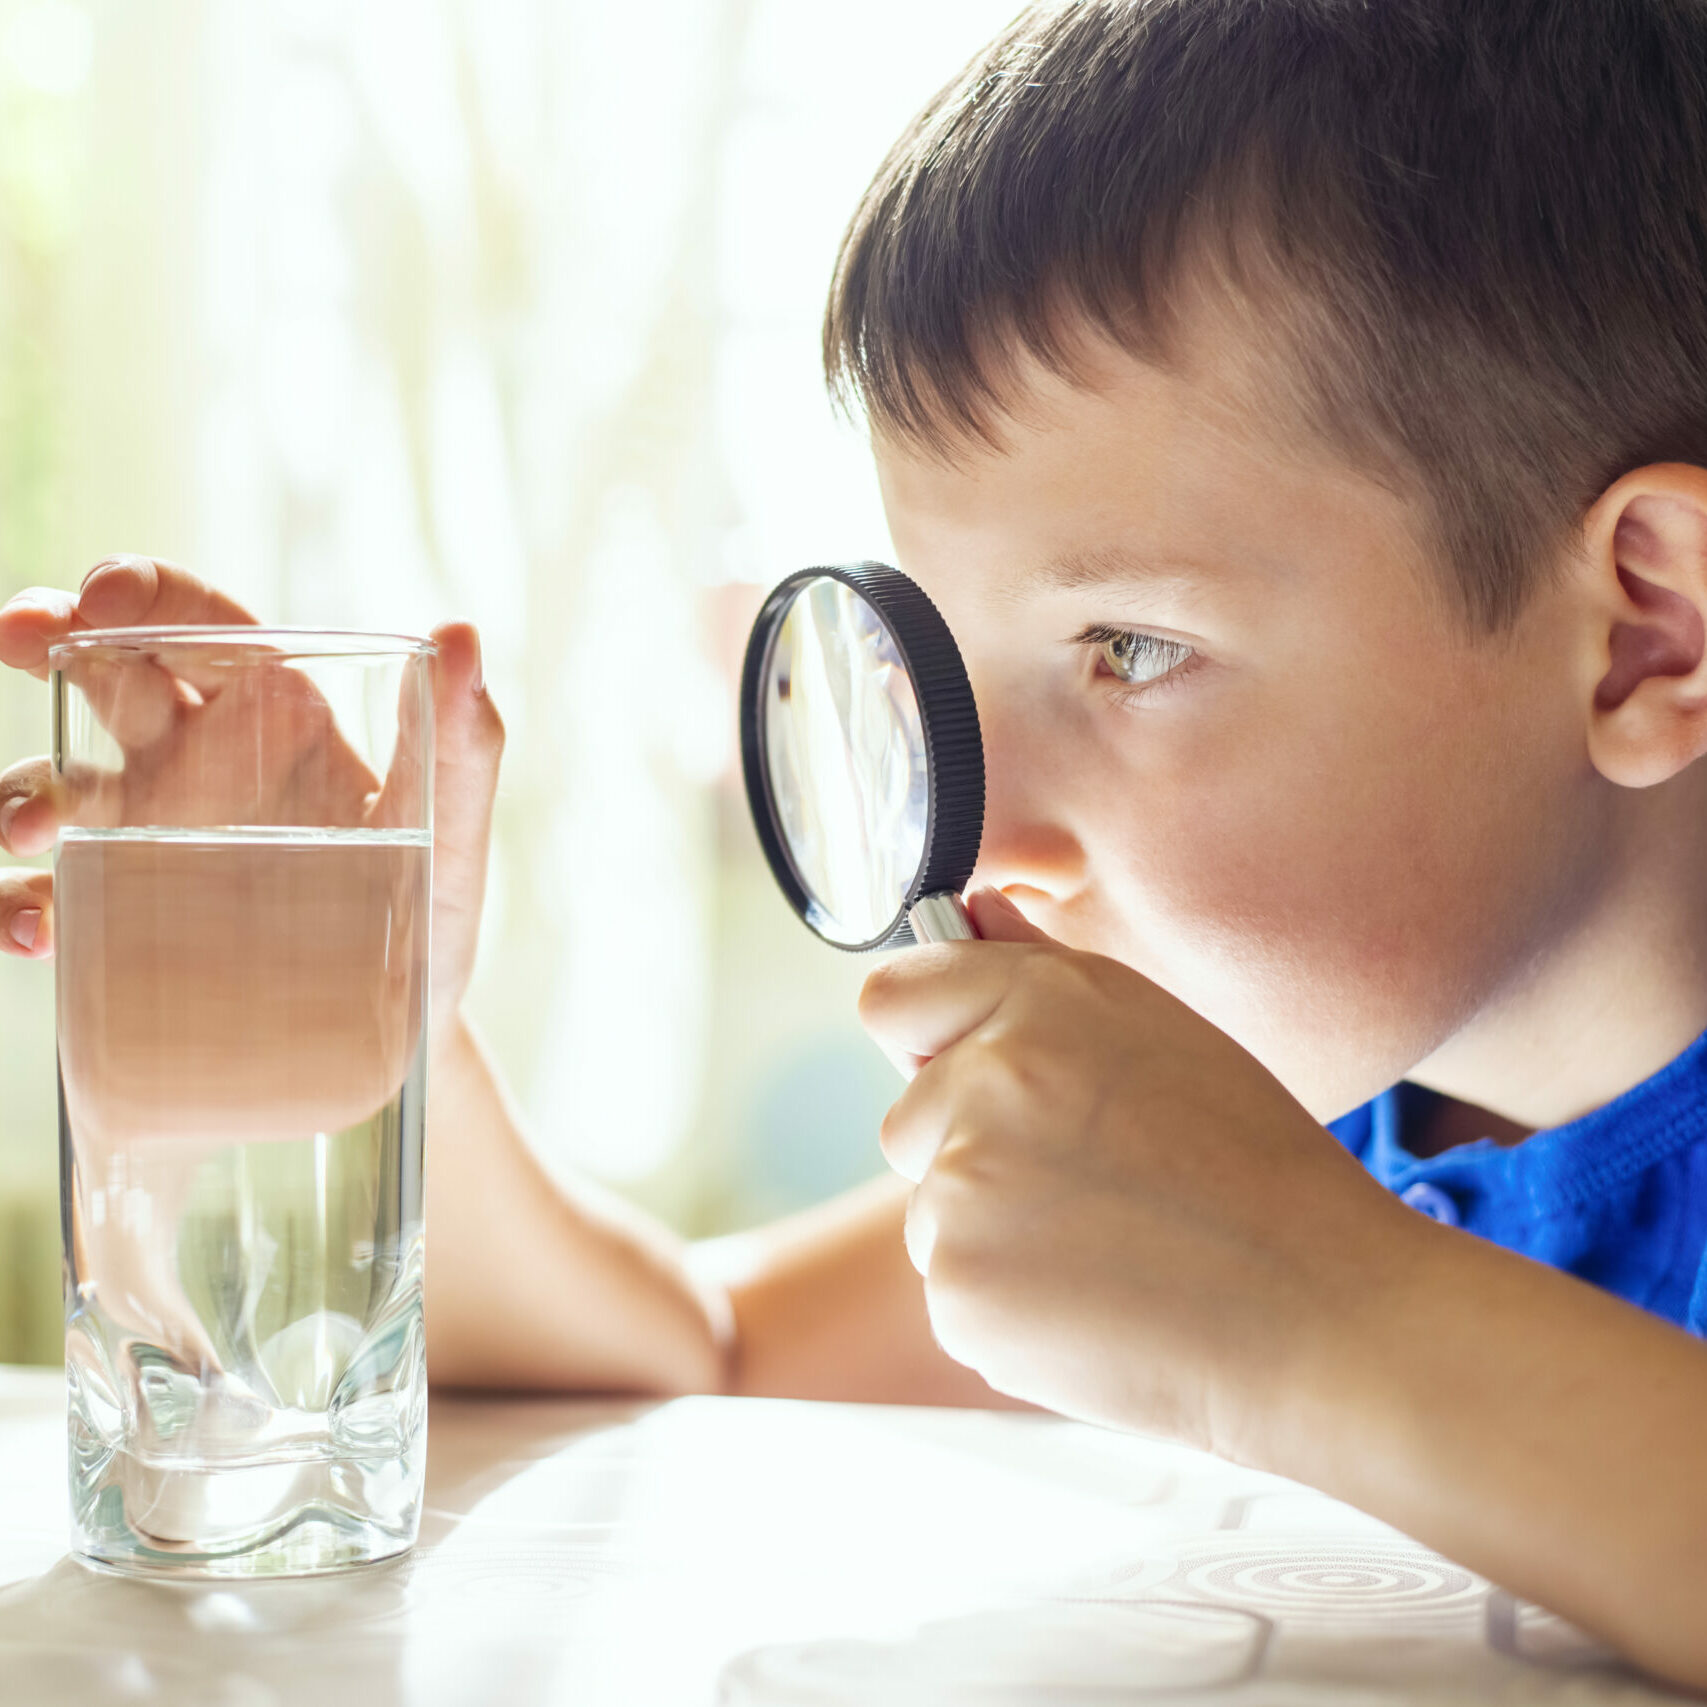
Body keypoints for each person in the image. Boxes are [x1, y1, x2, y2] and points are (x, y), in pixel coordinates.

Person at [6, 0, 1707, 1685]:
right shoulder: (1313, 1110)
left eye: (1128, 649)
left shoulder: (1298, 1193)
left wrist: (1319, 1311)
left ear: (1647, 633)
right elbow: (701, 1345)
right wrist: (384, 1060)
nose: (982, 849)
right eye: (951, 679)